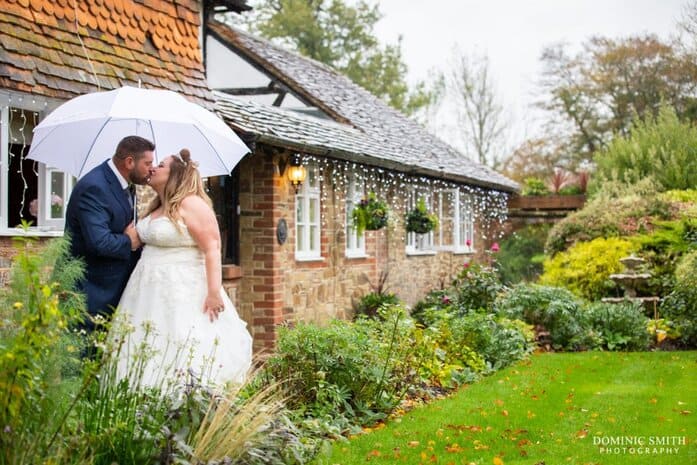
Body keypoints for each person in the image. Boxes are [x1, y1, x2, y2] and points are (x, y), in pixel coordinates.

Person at [113, 148, 253, 388]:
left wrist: (213, 291)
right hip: (146, 292)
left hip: (183, 288)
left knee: (181, 343)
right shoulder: (155, 208)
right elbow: (141, 239)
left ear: (176, 175)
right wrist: (129, 237)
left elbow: (212, 247)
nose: (154, 168)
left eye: (162, 165)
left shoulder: (192, 205)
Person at [65, 135, 155, 332]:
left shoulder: (125, 184)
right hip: (91, 293)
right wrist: (128, 241)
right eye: (148, 163)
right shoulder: (95, 187)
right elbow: (99, 242)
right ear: (129, 162)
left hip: (113, 291)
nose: (151, 168)